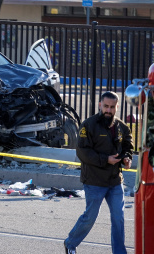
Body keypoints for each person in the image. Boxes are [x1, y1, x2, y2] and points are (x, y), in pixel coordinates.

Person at [64, 91, 134, 254]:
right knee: (90, 217)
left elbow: (128, 146)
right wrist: (105, 159)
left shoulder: (122, 127)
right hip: (94, 181)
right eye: (106, 106)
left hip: (115, 181)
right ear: (100, 105)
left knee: (118, 218)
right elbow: (82, 152)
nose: (108, 110)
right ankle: (70, 244)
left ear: (117, 107)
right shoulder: (88, 125)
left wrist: (127, 158)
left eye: (112, 107)